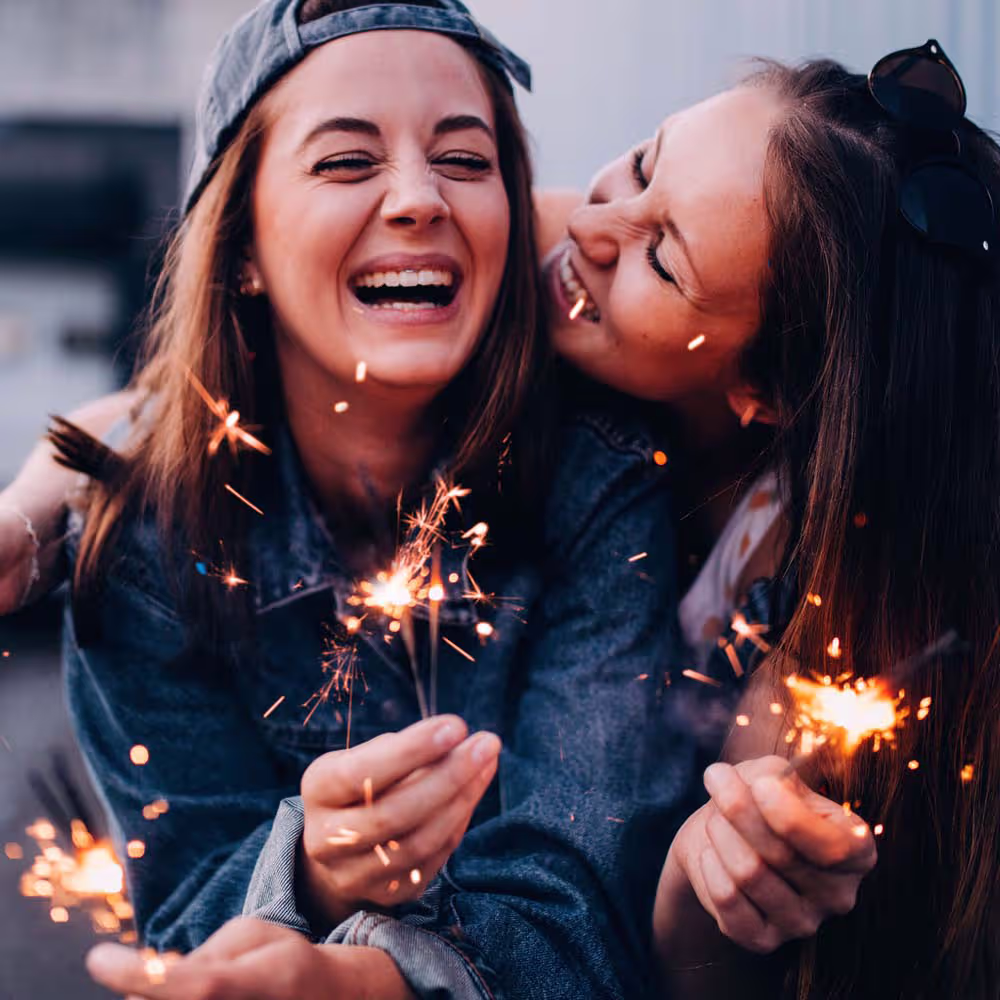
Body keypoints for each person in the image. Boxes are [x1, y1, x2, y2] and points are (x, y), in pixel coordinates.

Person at [4, 2, 691, 999]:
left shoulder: (603, 488)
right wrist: (312, 874)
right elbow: (190, 910)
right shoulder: (146, 543)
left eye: (464, 160)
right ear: (239, 245)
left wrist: (363, 982)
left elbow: (584, 915)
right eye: (345, 162)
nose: (418, 199)